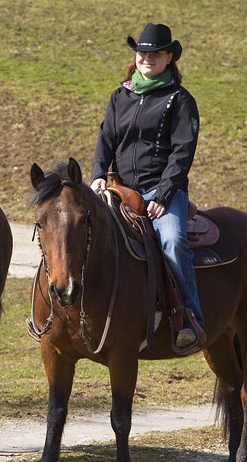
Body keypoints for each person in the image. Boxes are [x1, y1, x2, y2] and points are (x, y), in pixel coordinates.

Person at [91, 23, 205, 349]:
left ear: (169, 57)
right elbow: (106, 138)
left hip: (162, 192)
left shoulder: (180, 100)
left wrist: (165, 194)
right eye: (142, 52)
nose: (147, 58)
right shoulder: (121, 95)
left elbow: (183, 153)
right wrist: (99, 173)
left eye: (155, 53)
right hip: (120, 190)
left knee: (172, 241)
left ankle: (188, 318)